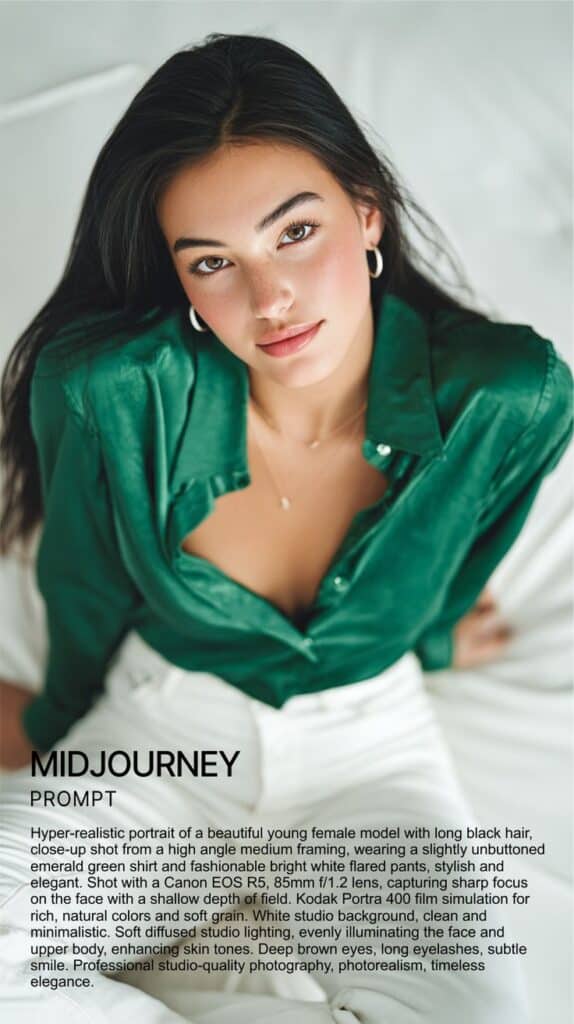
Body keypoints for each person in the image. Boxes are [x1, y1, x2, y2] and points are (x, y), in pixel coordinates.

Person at [0, 32, 571, 1024]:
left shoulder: (507, 395)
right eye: (214, 261)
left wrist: (430, 635)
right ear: (179, 280)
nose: (269, 300)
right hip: (158, 738)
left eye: (294, 232)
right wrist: (50, 726)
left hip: (372, 752)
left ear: (365, 212)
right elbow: (83, 584)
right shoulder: (112, 390)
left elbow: (467, 547)